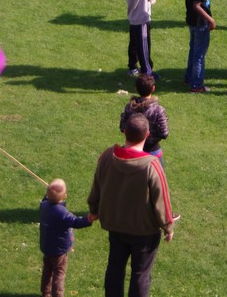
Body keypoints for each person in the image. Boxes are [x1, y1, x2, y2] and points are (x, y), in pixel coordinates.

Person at [87, 113, 176, 297]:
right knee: (140, 275)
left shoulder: (107, 156)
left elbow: (96, 187)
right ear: (147, 135)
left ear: (124, 132)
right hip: (144, 232)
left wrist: (94, 210)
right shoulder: (152, 165)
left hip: (115, 226)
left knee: (114, 269)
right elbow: (162, 201)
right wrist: (168, 226)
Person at [39, 178, 93, 297]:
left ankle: (46, 292)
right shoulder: (62, 213)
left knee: (47, 269)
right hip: (59, 250)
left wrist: (48, 192)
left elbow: (45, 199)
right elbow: (76, 222)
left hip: (47, 246)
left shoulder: (44, 206)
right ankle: (57, 294)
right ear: (65, 196)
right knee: (59, 272)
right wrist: (89, 219)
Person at [121, 0, 161, 78]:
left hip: (133, 19)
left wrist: (149, 0)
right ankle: (147, 72)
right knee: (144, 47)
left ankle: (133, 67)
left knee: (134, 45)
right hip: (141, 20)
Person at [184, 0, 216, 93]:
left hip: (192, 20)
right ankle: (196, 85)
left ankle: (189, 77)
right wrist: (210, 20)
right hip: (200, 23)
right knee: (199, 54)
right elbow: (196, 5)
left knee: (193, 49)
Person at [120, 73, 170, 155]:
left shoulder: (129, 107)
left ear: (136, 89)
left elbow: (123, 127)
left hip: (132, 150)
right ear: (153, 88)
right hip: (152, 151)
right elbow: (164, 133)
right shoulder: (158, 110)